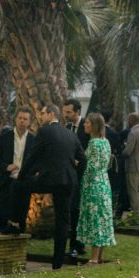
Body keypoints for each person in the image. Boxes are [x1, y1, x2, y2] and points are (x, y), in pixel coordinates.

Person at [9, 103, 86, 270]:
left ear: (51, 114)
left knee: (17, 186)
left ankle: (16, 223)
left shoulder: (44, 131)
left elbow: (32, 156)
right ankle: (58, 263)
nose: (40, 117)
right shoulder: (70, 134)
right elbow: (83, 159)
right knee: (63, 221)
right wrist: (75, 176)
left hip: (49, 180)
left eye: (43, 114)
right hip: (68, 181)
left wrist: (22, 176)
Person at [76, 113, 115, 264]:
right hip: (104, 183)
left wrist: (77, 164)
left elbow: (90, 167)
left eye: (87, 123)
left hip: (93, 185)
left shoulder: (94, 143)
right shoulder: (105, 141)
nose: (84, 125)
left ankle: (93, 258)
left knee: (94, 220)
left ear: (94, 125)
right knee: (103, 218)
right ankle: (99, 256)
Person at [0, 107, 35, 232]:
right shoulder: (5, 137)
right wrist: (6, 166)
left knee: (21, 215)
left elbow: (36, 162)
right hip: (7, 180)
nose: (22, 121)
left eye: (25, 119)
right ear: (15, 119)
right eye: (20, 118)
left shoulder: (33, 140)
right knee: (3, 215)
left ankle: (19, 240)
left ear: (29, 122)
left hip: (23, 181)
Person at [63, 98, 88, 258]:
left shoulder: (86, 127)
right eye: (64, 112)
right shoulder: (66, 127)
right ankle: (76, 244)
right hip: (69, 176)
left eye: (69, 112)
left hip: (82, 176)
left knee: (78, 211)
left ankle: (77, 245)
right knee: (72, 211)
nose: (66, 115)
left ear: (78, 112)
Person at [123, 112, 139, 218]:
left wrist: (122, 150)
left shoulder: (133, 133)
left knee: (133, 190)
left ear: (131, 121)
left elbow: (128, 151)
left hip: (133, 166)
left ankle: (136, 214)